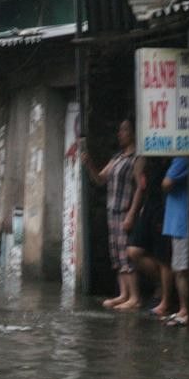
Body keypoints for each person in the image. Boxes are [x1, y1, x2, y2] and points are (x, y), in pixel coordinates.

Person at [82, 119, 139, 310]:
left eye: (124, 130)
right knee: (116, 254)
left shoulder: (137, 159)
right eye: (120, 130)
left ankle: (135, 297)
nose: (120, 133)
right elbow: (100, 179)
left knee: (126, 255)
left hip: (124, 210)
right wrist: (89, 164)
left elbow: (140, 187)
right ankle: (124, 294)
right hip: (111, 210)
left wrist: (132, 213)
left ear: (132, 133)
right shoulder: (117, 158)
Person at [125, 156, 174, 316]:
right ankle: (162, 284)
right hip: (149, 206)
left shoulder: (168, 159)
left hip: (162, 207)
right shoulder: (146, 159)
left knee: (163, 258)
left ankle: (166, 300)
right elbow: (140, 182)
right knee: (133, 251)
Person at [161, 156, 189, 327]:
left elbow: (166, 183)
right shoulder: (179, 159)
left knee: (180, 269)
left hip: (180, 222)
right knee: (178, 268)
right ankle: (182, 309)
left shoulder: (182, 158)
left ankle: (184, 310)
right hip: (176, 222)